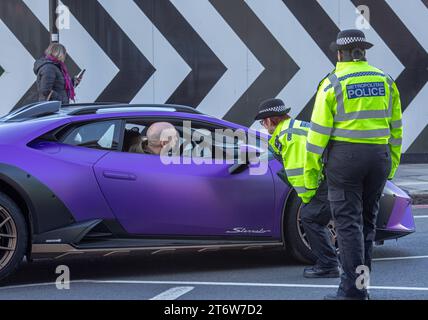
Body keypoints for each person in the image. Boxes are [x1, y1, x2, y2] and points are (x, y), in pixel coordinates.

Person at [304, 29, 403, 300]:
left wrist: (310, 176)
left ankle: (351, 293)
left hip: (345, 160)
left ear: (340, 53)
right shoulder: (385, 80)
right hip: (378, 157)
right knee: (367, 227)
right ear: (363, 52)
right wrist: (391, 163)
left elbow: (317, 136)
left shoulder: (332, 83)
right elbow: (396, 129)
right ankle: (362, 289)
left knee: (348, 228)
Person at [255, 98, 339, 278]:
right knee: (319, 218)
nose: (264, 126)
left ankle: (329, 265)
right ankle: (332, 262)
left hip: (324, 183)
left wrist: (307, 197)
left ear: (270, 120)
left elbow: (300, 171)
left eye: (263, 122)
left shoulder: (288, 137)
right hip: (334, 177)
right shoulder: (298, 125)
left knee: (310, 218)